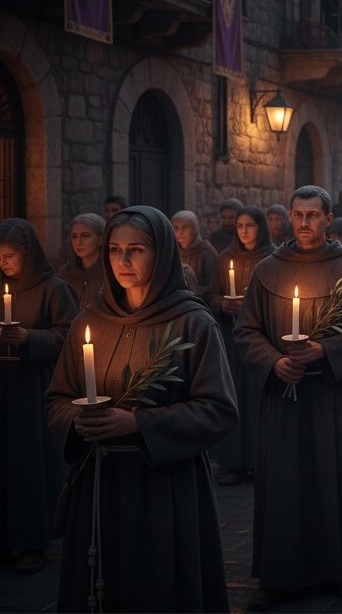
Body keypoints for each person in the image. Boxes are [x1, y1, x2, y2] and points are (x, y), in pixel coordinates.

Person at [45, 207, 237, 610]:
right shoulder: (89, 322)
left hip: (164, 488)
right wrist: (78, 420)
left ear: (162, 254)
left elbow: (218, 409)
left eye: (136, 249)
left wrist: (138, 423)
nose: (123, 261)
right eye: (114, 250)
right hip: (100, 482)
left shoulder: (192, 324)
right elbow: (58, 398)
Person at [234, 186, 342, 608]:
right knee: (284, 481)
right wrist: (274, 362)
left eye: (312, 215)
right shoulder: (267, 270)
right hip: (283, 397)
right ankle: (279, 573)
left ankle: (338, 567)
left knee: (332, 477)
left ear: (328, 217)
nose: (303, 223)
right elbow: (246, 332)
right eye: (297, 215)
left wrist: (325, 351)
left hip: (331, 396)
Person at [0, 219, 78, 575]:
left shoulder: (53, 288)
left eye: (10, 256)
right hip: (3, 384)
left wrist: (30, 338)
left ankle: (34, 539)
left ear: (28, 254)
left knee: (29, 462)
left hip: (33, 387)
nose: (3, 262)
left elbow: (69, 337)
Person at [207, 205, 275, 486]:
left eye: (250, 225)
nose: (244, 231)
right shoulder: (225, 259)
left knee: (259, 400)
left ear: (261, 228)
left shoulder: (272, 258)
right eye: (240, 226)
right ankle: (234, 462)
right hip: (231, 341)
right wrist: (222, 303)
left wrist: (250, 306)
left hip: (261, 339)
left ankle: (262, 460)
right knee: (234, 396)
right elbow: (209, 294)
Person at [59, 213, 107, 310]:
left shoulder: (110, 273)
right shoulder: (65, 273)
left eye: (85, 236)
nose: (78, 242)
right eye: (74, 236)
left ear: (101, 239)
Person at [171, 210, 217, 298]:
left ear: (195, 228)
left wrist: (193, 287)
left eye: (185, 227)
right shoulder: (173, 251)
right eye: (175, 228)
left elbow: (214, 288)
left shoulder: (207, 253)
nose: (180, 232)